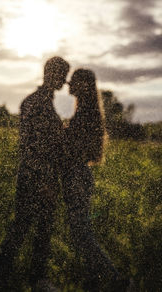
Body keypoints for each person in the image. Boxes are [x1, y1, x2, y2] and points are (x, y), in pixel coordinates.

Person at [0, 56, 69, 291]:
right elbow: (29, 147)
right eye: (62, 75)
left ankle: (20, 277)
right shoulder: (36, 102)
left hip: (38, 176)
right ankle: (20, 278)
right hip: (35, 178)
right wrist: (44, 180)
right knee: (28, 227)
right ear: (52, 74)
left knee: (34, 227)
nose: (65, 81)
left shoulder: (40, 101)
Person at [61, 69, 131, 291]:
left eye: (74, 79)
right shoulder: (87, 112)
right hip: (80, 175)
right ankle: (96, 281)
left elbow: (70, 148)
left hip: (77, 176)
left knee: (82, 233)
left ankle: (116, 281)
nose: (68, 82)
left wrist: (58, 132)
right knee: (80, 232)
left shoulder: (85, 115)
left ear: (83, 85)